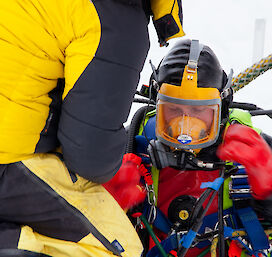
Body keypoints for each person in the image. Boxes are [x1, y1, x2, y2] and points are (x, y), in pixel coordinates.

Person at [0, 0, 185, 256]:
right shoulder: (115, 14)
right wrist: (114, 171)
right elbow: (90, 157)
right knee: (121, 249)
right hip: (7, 160)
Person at [115, 39, 272, 256]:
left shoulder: (258, 152)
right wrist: (102, 199)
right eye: (173, 110)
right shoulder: (130, 148)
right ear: (156, 106)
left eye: (200, 112)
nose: (185, 128)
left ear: (221, 111)